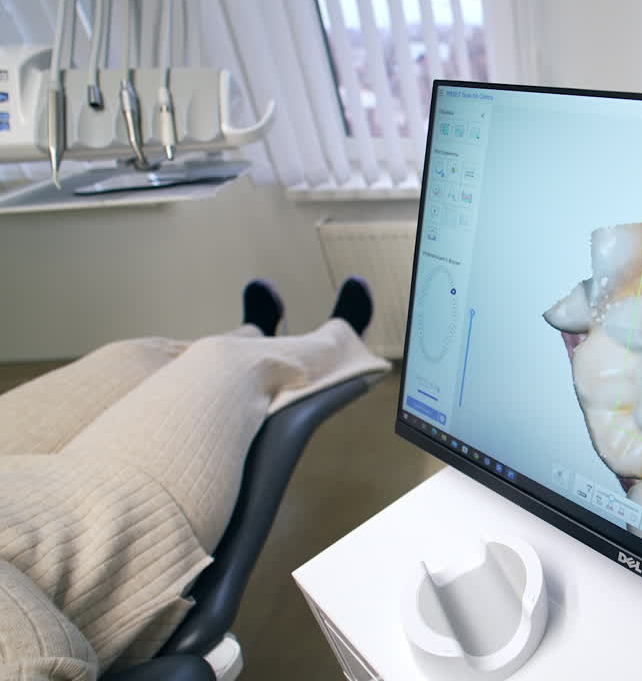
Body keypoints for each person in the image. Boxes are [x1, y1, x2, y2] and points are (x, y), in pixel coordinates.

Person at [0, 279, 392, 679]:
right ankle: (340, 336)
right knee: (223, 360)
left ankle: (253, 331)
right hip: (67, 541)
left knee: (135, 354)